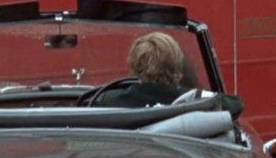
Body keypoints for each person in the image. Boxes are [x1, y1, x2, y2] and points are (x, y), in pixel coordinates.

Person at [96, 31, 244, 118]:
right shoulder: (193, 101)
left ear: (135, 65)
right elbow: (236, 105)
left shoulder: (108, 101)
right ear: (177, 63)